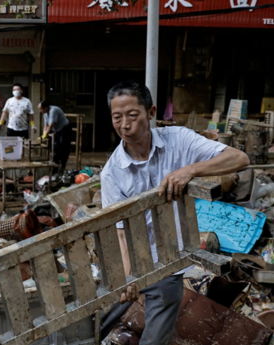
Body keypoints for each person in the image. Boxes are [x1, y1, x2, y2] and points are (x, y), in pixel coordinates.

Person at [100, 81, 249, 345]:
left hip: (167, 259)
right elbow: (120, 234)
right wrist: (128, 276)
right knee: (96, 322)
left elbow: (239, 159)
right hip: (131, 257)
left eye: (132, 115)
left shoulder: (179, 139)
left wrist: (190, 170)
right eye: (117, 117)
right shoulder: (112, 173)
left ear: (151, 112)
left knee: (155, 340)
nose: (124, 125)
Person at [38, 101, 71, 174]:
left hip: (65, 129)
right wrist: (43, 134)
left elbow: (51, 124)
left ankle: (62, 166)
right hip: (57, 130)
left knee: (64, 147)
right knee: (56, 147)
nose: (40, 111)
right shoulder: (45, 113)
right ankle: (55, 167)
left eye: (41, 109)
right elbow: (46, 125)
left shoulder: (53, 110)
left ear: (46, 107)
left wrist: (46, 133)